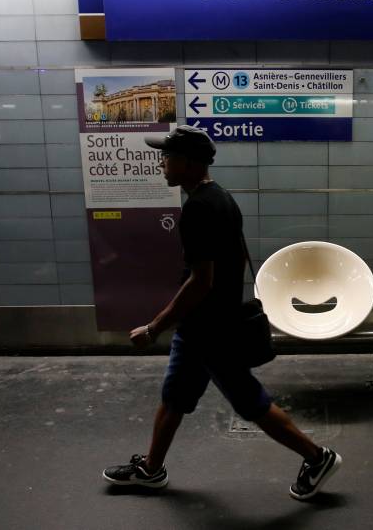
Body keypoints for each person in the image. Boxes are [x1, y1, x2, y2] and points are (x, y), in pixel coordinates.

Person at [102, 125, 341, 501]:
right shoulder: (221, 198)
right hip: (201, 326)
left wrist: (154, 327)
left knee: (250, 403)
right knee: (175, 396)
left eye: (167, 156)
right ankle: (151, 469)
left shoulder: (199, 207)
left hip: (210, 330)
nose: (161, 162)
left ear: (188, 162)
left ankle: (317, 457)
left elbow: (201, 281)